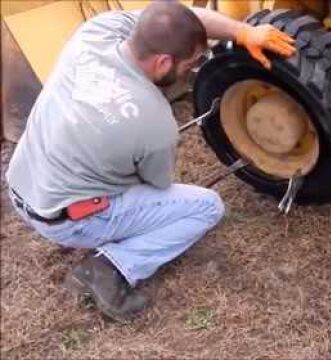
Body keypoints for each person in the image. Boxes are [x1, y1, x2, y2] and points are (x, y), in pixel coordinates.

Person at [4, 1, 295, 323]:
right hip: (66, 220)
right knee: (206, 207)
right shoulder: (154, 121)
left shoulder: (96, 33)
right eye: (191, 64)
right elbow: (156, 185)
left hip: (20, 184)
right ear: (163, 62)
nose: (191, 71)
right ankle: (110, 266)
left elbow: (182, 19)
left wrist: (244, 32)